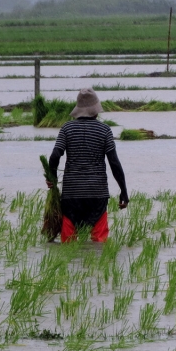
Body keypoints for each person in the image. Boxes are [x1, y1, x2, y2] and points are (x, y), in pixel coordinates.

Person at [47, 88, 129, 243]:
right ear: (96, 110)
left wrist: (52, 179)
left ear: (78, 110)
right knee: (99, 241)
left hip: (71, 193)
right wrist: (123, 191)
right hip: (97, 192)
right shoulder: (105, 130)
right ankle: (97, 267)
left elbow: (55, 156)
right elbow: (114, 163)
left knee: (68, 242)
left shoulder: (67, 128)